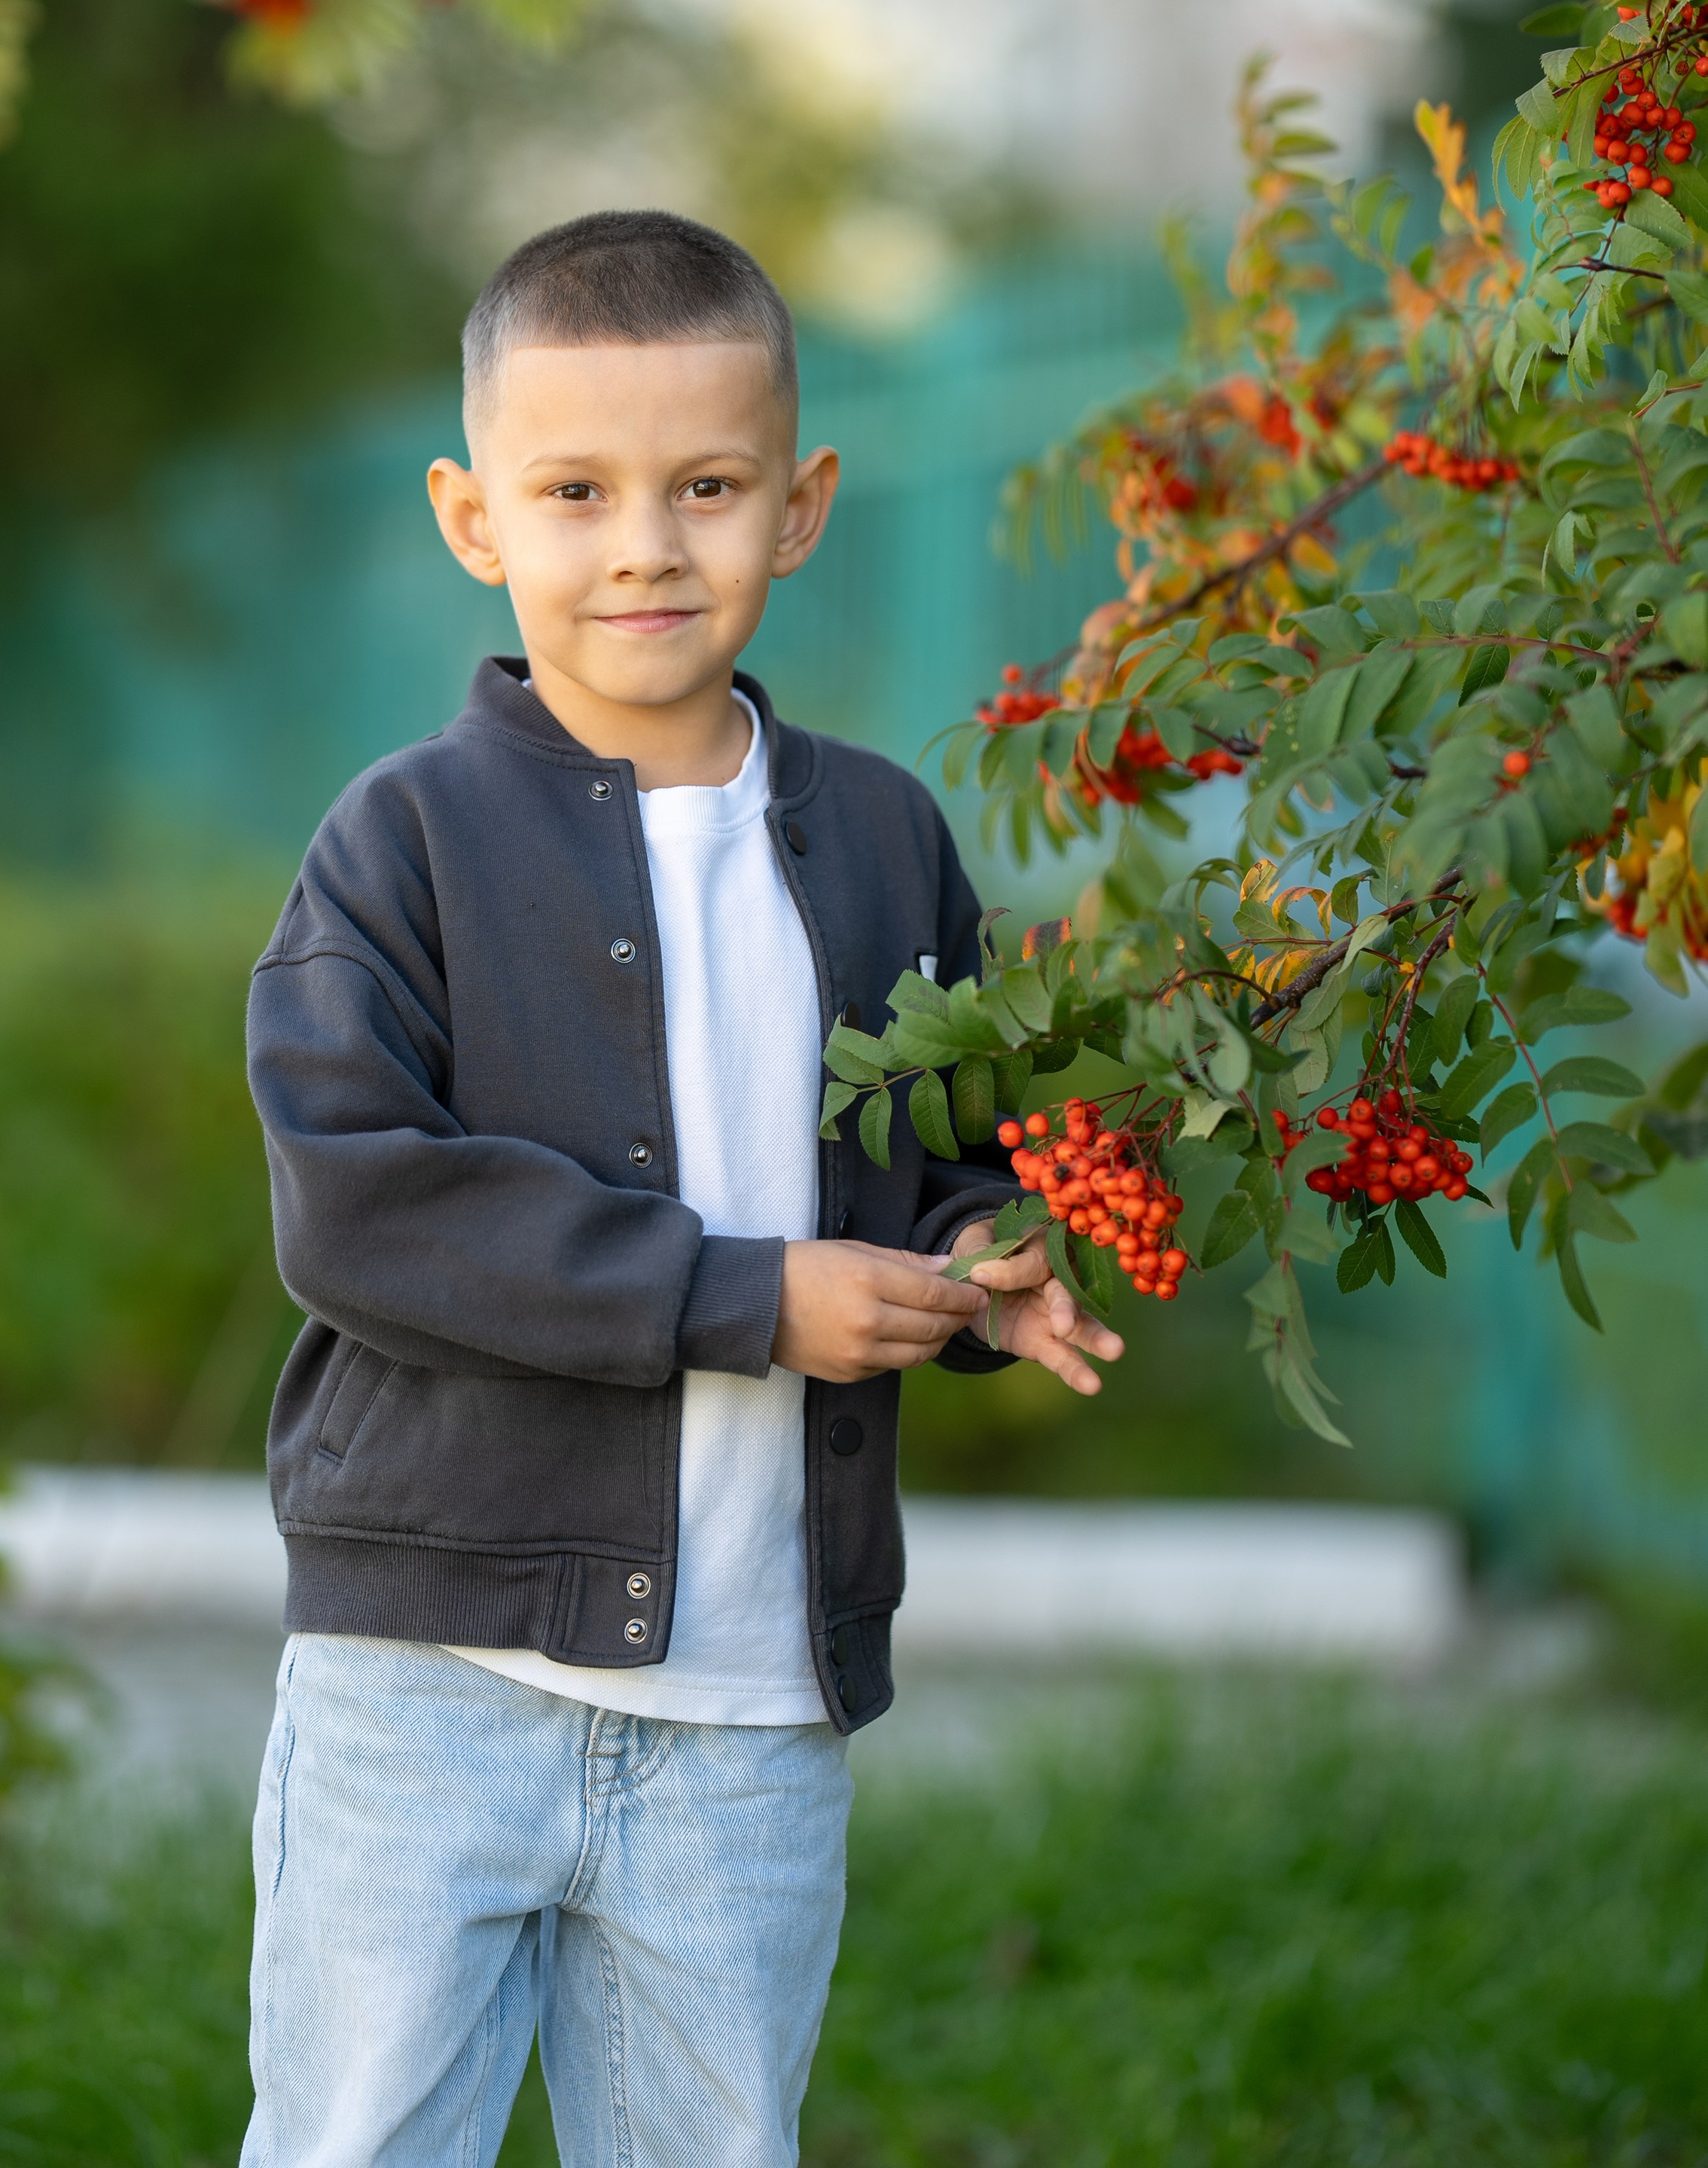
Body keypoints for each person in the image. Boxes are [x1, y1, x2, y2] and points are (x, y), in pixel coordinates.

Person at [239, 209, 1124, 2168]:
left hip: (748, 1701)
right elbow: (362, 1208)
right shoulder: (405, 844)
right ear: (476, 517)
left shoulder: (884, 839)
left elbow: (942, 1160)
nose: (645, 543)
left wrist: (990, 1260)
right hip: (432, 1682)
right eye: (579, 491)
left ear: (799, 506)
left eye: (706, 486)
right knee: (360, 2142)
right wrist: (750, 1300)